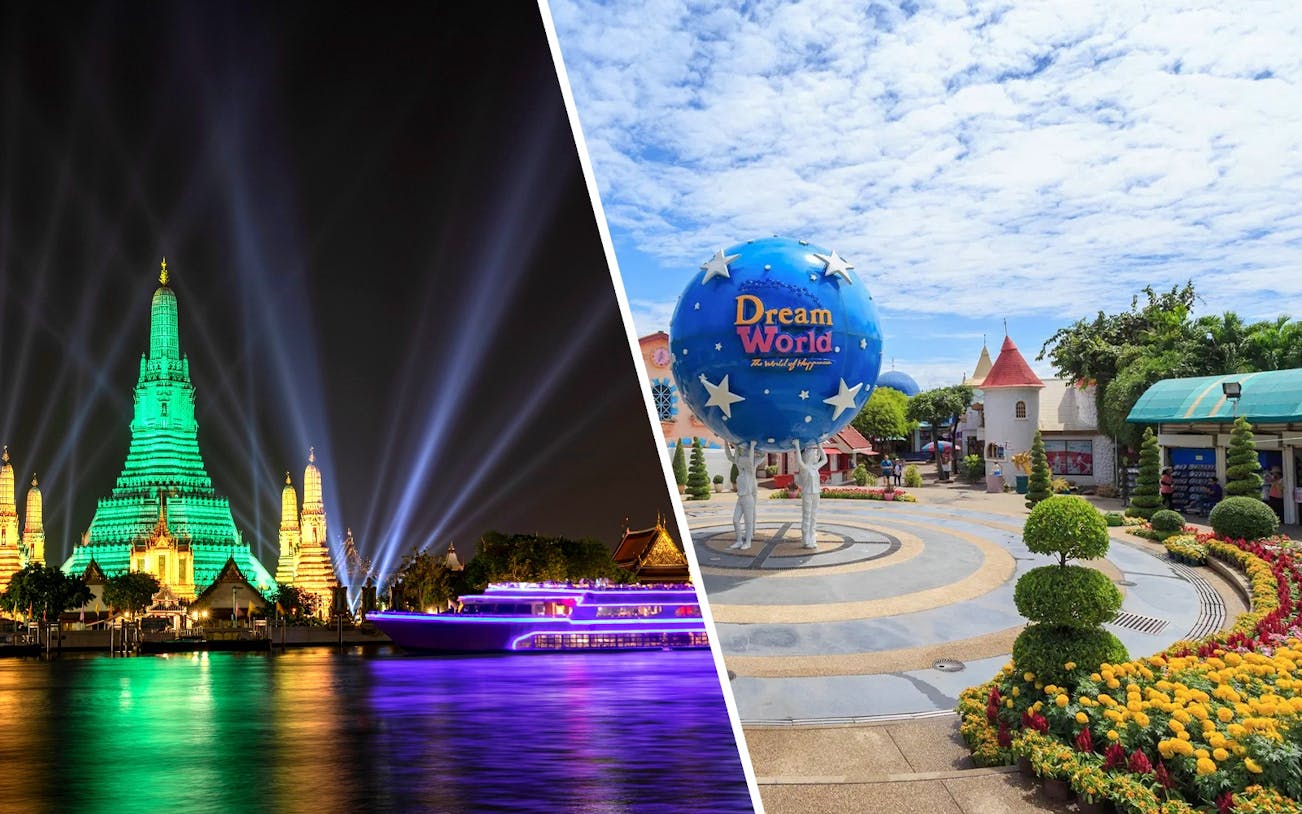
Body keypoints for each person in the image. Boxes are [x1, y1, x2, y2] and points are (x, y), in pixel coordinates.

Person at [724, 442, 757, 551]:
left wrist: (752, 446)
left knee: (748, 522)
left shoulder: (750, 472)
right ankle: (739, 541)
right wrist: (726, 441)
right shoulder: (740, 472)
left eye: (744, 462)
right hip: (740, 499)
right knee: (735, 520)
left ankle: (748, 542)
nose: (741, 463)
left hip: (748, 499)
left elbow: (751, 460)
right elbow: (730, 456)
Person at [795, 441, 828, 549]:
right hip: (807, 494)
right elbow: (799, 460)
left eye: (815, 453)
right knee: (807, 516)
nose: (815, 455)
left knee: (814, 517)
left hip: (816, 493)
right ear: (807, 456)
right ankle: (806, 538)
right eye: (812, 453)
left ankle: (812, 537)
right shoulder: (805, 468)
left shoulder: (815, 467)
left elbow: (825, 459)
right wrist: (797, 446)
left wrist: (819, 445)